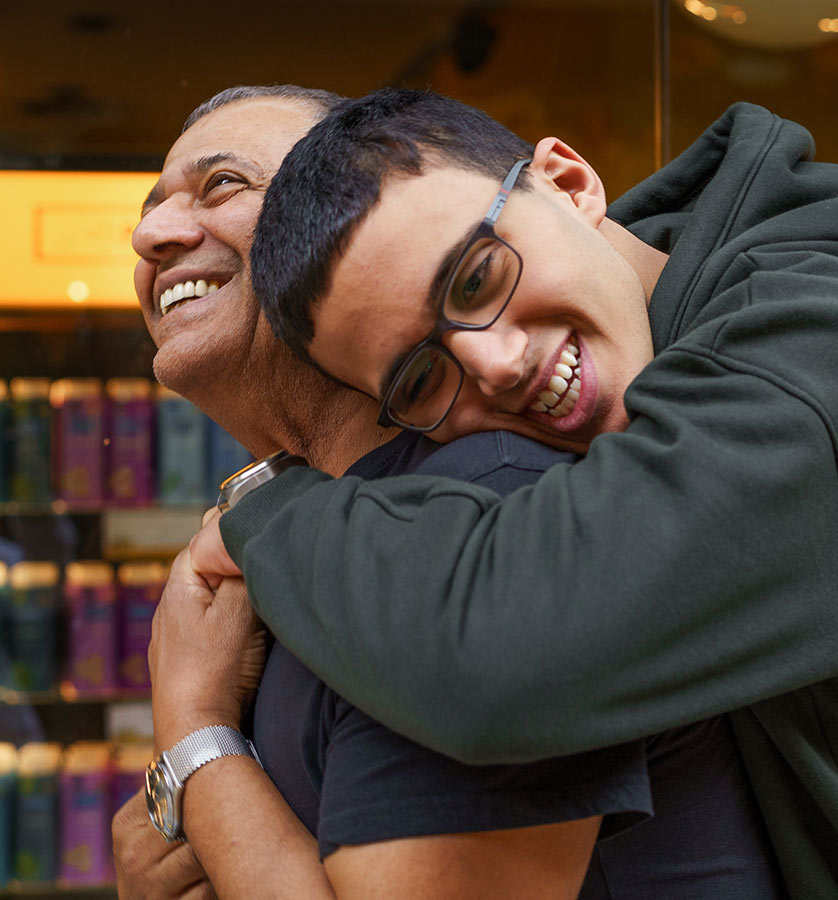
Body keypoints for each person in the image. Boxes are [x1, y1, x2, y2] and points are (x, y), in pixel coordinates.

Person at [187, 87, 838, 900]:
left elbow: (507, 658)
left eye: (476, 278)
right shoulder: (652, 339)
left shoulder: (826, 346)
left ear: (571, 184)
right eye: (423, 374)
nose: (496, 362)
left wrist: (268, 514)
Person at [115, 84, 785, 900]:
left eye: (224, 185)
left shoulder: (496, 513)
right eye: (153, 208)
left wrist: (195, 742)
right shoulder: (310, 532)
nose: (150, 234)